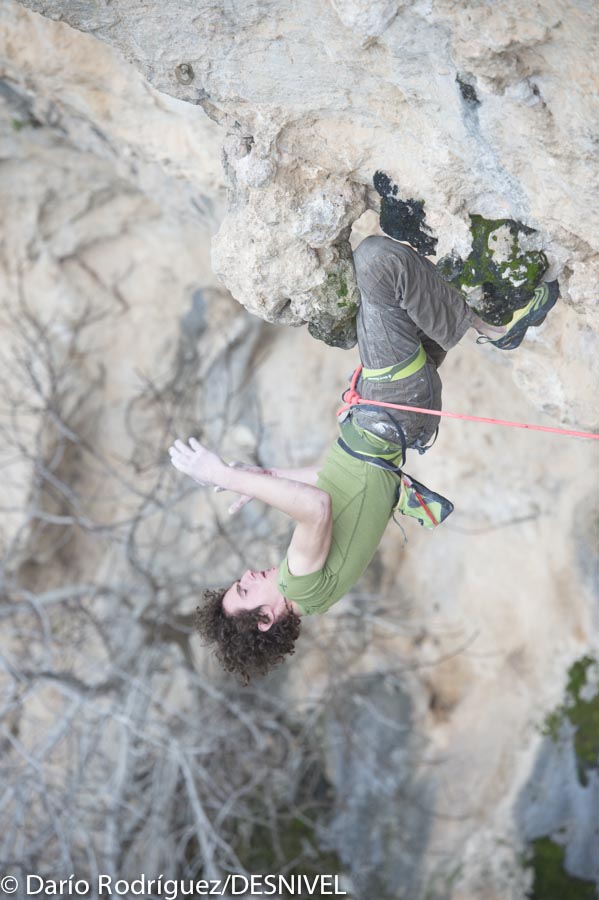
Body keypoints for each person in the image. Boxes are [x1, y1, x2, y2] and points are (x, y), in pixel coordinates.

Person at [169, 236, 559, 683]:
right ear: (266, 618)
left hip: (398, 417)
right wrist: (220, 473)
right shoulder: (299, 583)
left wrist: (267, 474)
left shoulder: (316, 595)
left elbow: (332, 482)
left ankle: (480, 315)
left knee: (410, 306)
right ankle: (492, 326)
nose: (245, 575)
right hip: (392, 405)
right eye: (244, 589)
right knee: (376, 263)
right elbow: (315, 508)